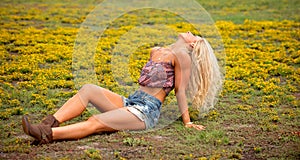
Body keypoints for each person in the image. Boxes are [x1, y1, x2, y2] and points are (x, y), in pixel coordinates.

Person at [22, 31, 222, 144]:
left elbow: (180, 90)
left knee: (97, 120)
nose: (189, 32)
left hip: (146, 112)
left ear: (193, 46)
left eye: (194, 35)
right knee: (88, 89)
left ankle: (46, 135)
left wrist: (186, 122)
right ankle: (50, 123)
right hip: (132, 101)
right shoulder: (156, 51)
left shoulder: (183, 58)